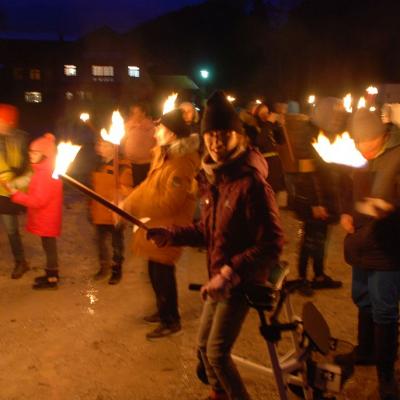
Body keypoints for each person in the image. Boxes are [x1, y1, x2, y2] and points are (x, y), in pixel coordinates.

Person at [146, 91, 284, 400]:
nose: (216, 142)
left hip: (242, 281)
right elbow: (207, 230)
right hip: (219, 276)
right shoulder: (215, 179)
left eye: (224, 135)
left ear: (239, 136)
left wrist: (230, 273)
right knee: (203, 350)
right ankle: (219, 394)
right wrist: (171, 234)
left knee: (217, 354)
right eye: (210, 135)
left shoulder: (251, 184)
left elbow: (273, 244)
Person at [336, 108, 400, 400]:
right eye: (360, 143)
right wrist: (346, 213)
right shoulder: (356, 154)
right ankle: (365, 351)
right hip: (361, 241)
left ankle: (385, 374)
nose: (365, 149)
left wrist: (390, 207)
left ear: (384, 135)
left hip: (390, 245)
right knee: (362, 298)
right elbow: (347, 188)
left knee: (384, 307)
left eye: (370, 141)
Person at [120, 108, 200, 340]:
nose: (155, 133)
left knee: (163, 273)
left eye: (160, 129)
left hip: (169, 227)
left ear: (173, 134)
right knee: (155, 271)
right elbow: (148, 185)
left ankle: (171, 320)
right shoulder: (164, 156)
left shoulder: (182, 163)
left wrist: (137, 209)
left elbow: (169, 202)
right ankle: (162, 310)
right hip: (156, 225)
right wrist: (129, 202)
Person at [7, 133, 63, 289]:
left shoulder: (45, 175)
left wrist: (16, 195)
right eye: (30, 152)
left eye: (35, 153)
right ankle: (51, 274)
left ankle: (52, 279)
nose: (31, 155)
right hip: (46, 217)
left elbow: (38, 201)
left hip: (47, 217)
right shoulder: (42, 171)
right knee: (48, 246)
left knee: (50, 248)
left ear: (45, 155)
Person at [90, 138, 133, 284]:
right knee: (100, 241)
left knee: (116, 243)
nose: (100, 147)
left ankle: (116, 269)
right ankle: (104, 267)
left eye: (105, 145)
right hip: (99, 211)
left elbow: (127, 190)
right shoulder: (97, 166)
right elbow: (93, 188)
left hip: (114, 212)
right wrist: (90, 207)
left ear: (114, 147)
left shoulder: (122, 167)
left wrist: (119, 200)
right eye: (100, 144)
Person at [0, 104, 31, 279]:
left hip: (8, 192)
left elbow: (26, 165)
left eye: (1, 120)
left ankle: (20, 262)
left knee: (11, 230)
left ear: (9, 122)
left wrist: (17, 181)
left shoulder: (21, 139)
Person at [253, 103, 286, 194]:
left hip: (276, 163)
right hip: (264, 163)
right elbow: (259, 142)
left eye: (267, 112)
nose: (266, 115)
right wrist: (269, 123)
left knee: (278, 191)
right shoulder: (253, 128)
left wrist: (280, 126)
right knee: (267, 191)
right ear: (257, 115)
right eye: (262, 113)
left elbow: (281, 141)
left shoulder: (269, 127)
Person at [122, 102, 156, 187]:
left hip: (147, 163)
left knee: (146, 187)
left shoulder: (150, 125)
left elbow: (156, 140)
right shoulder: (129, 125)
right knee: (137, 187)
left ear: (143, 113)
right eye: (133, 112)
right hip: (134, 163)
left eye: (136, 112)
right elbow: (122, 139)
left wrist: (145, 127)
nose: (134, 114)